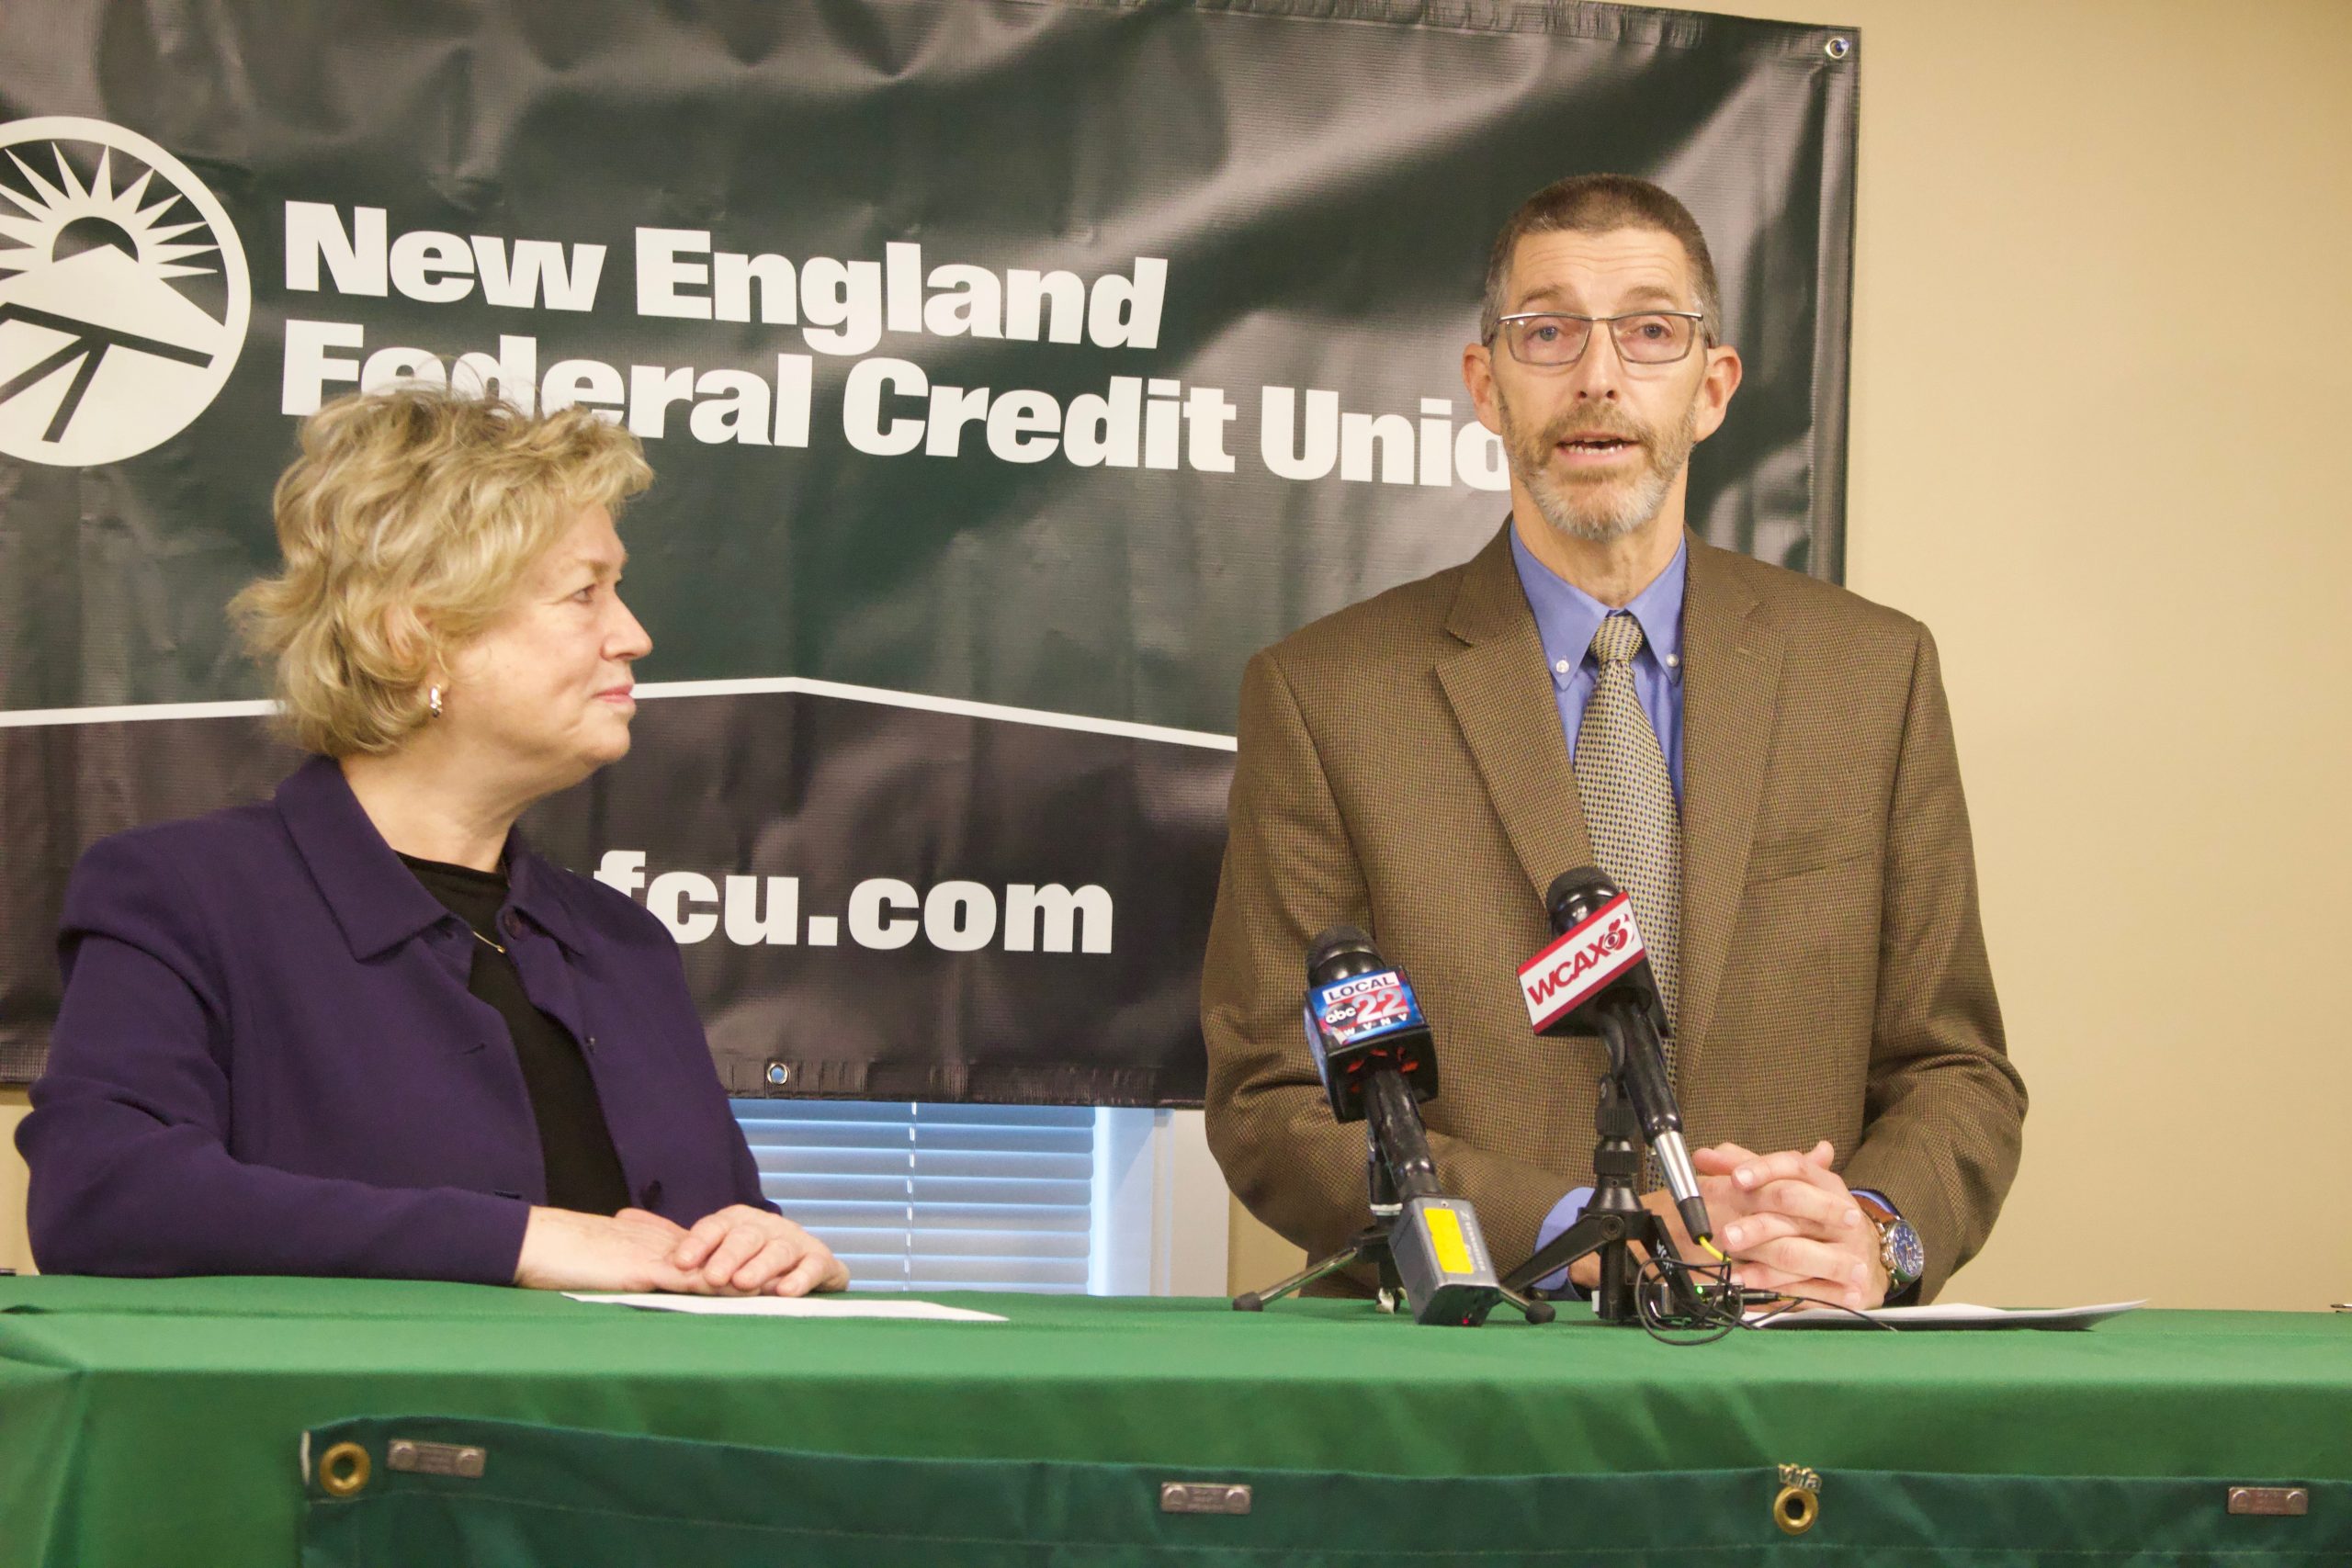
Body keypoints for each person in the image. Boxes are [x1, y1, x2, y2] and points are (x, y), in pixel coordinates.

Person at [1204, 175, 2025, 1308]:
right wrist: (1582, 1233)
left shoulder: (1871, 675)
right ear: (1485, 386)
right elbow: (1277, 1099)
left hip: (1790, 1352)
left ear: (1711, 388)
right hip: (1475, 1356)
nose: (1597, 376)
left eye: (1648, 333)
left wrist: (1872, 1235)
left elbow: (1954, 1069)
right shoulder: (1327, 695)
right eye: (1547, 333)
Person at [17, 386, 847, 1298]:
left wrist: (764, 1245)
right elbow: (103, 1196)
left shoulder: (624, 944)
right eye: (584, 593)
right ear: (417, 635)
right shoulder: (184, 896)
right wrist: (515, 1239)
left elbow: (693, 1239)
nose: (634, 635)